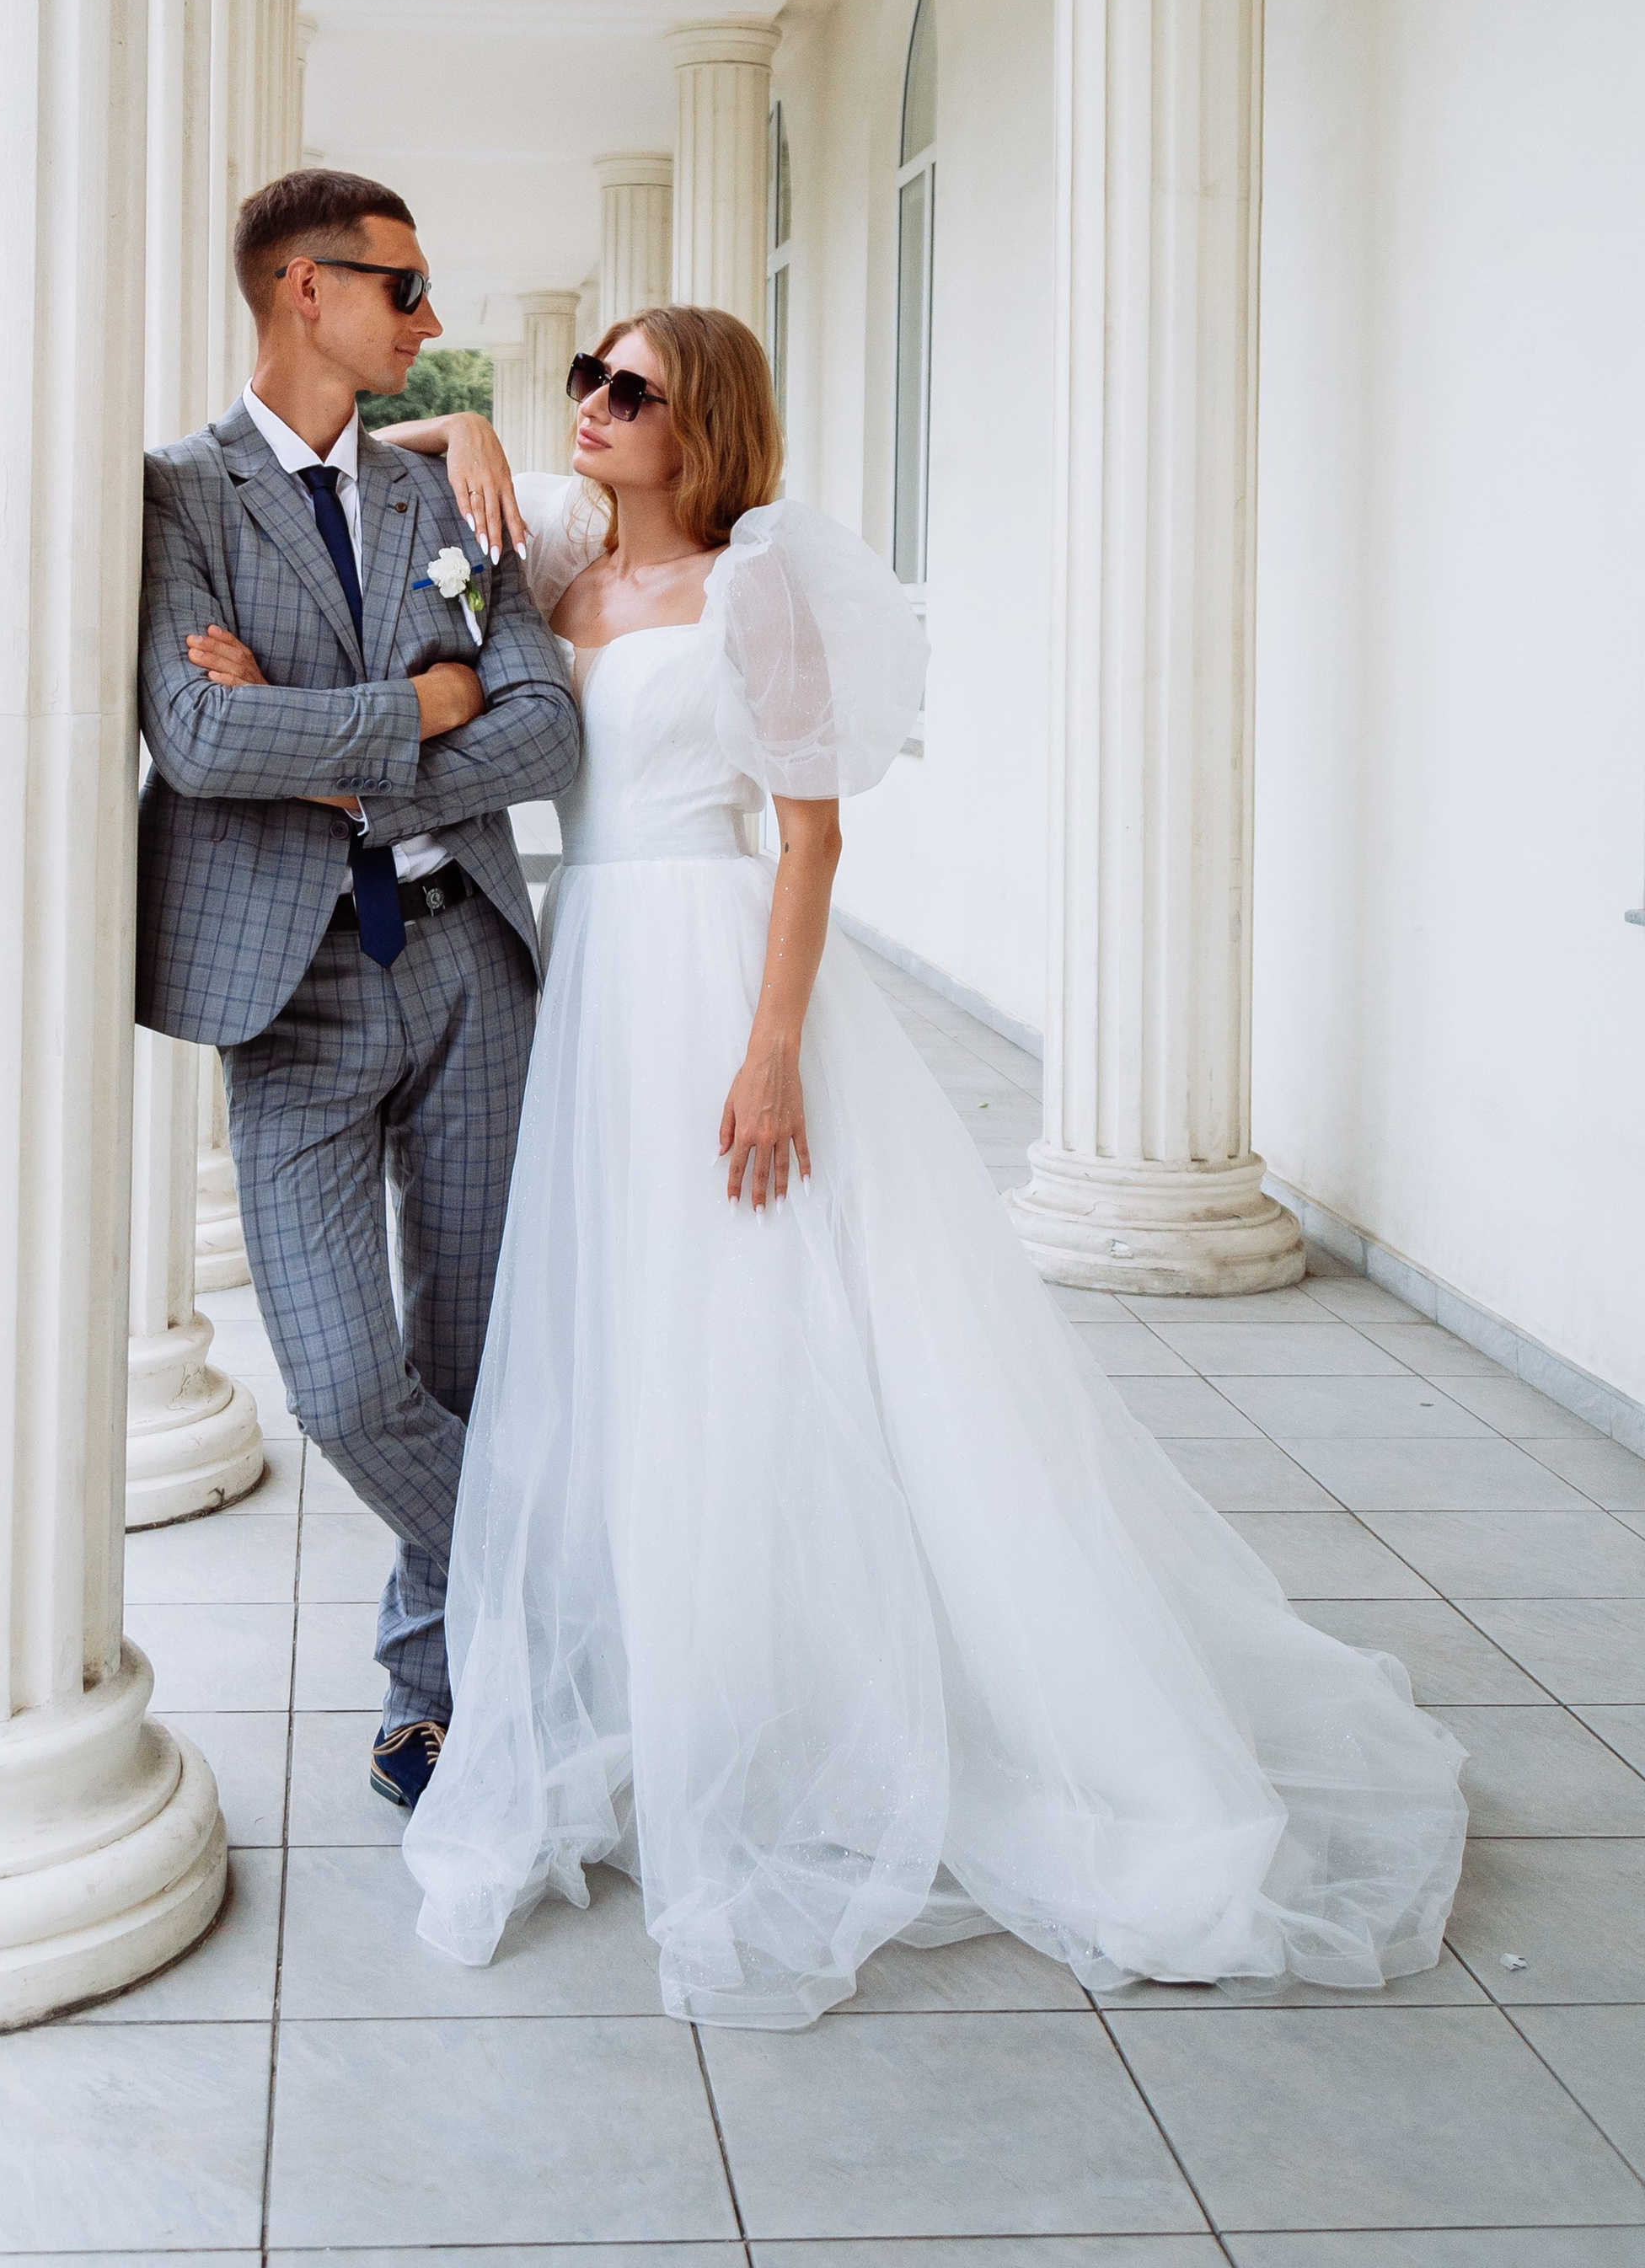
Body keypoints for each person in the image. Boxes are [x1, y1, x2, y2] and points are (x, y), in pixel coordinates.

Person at [378, 304, 1467, 2029]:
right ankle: (681, 1682)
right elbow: (324, 474)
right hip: (585, 979)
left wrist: (765, 1050)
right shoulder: (556, 575)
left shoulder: (752, 585)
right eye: (581, 373)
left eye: (630, 388)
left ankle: (831, 1706)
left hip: (712, 967)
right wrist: (457, 434)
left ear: (704, 419)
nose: (590, 402)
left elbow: (808, 833)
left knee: (771, 1334)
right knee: (641, 1343)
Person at [137, 169, 580, 1810]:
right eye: (401, 290)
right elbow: (196, 742)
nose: (430, 318)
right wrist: (415, 706)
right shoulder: (173, 497)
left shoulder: (450, 503)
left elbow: (543, 728)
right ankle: (569, 1585)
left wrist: (337, 755)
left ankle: (438, 1688)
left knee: (468, 1360)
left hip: (471, 966)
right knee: (337, 1384)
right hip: (293, 995)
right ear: (301, 293)